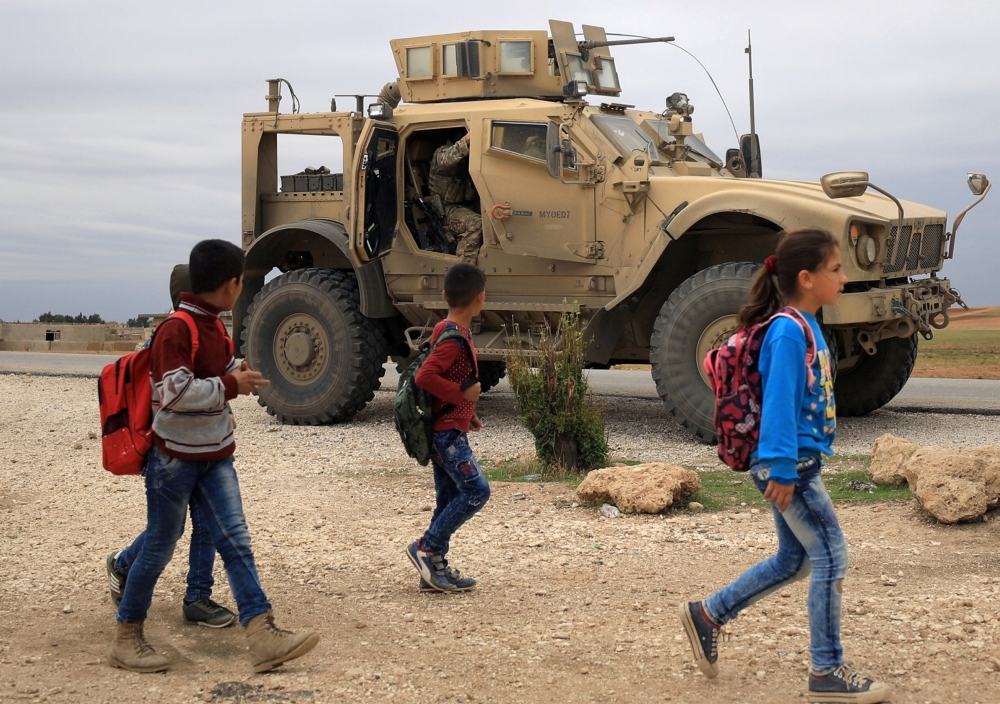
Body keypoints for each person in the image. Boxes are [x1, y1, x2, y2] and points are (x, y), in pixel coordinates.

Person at [678, 229, 892, 704]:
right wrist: (779, 467)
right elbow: (777, 403)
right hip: (789, 462)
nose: (844, 277)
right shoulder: (788, 331)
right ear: (806, 278)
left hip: (794, 460)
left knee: (793, 561)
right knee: (831, 555)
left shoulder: (806, 326)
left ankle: (708, 614)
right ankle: (826, 671)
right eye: (835, 269)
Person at [108, 240, 319, 674]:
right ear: (231, 285)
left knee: (237, 543)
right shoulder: (177, 329)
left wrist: (236, 373)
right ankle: (126, 638)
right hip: (174, 463)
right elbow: (173, 392)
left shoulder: (213, 326)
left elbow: (213, 372)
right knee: (158, 548)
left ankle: (262, 635)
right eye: (241, 282)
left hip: (215, 456)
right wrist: (230, 386)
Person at [106, 264, 237, 629]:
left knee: (205, 525)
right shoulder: (174, 334)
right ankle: (123, 570)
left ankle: (198, 597)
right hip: (170, 450)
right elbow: (174, 394)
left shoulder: (206, 330)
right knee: (169, 530)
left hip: (203, 447)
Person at [405, 263, 490, 592]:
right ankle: (426, 549)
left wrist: (466, 411)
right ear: (481, 298)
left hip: (450, 426)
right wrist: (461, 396)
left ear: (444, 295)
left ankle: (433, 571)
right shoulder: (454, 339)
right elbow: (424, 376)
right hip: (447, 437)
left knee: (447, 498)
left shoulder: (446, 328)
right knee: (476, 491)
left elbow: (449, 375)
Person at [428, 132, 483, 266]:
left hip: (462, 206)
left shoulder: (464, 162)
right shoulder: (440, 154)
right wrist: (466, 140)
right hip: (445, 210)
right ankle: (466, 267)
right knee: (476, 223)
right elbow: (446, 159)